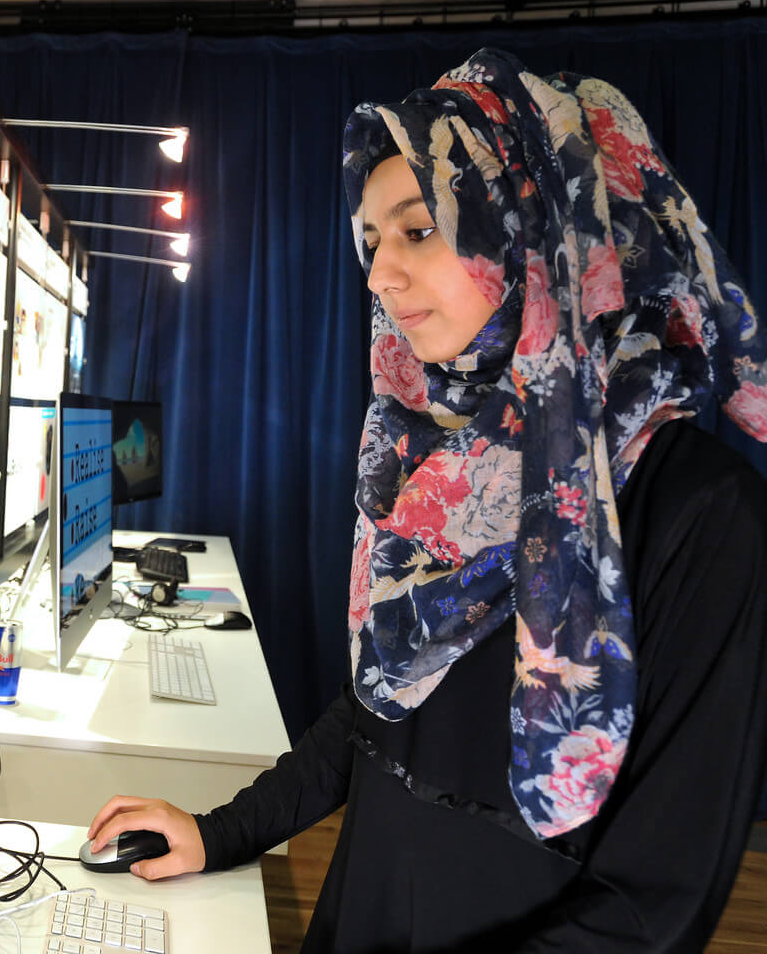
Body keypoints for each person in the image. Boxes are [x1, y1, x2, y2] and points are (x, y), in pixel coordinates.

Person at [87, 48, 767, 952]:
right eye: (371, 243)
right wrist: (225, 830)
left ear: (540, 227)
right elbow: (383, 705)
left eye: (417, 230)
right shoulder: (443, 466)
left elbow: (655, 905)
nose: (378, 277)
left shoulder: (705, 518)